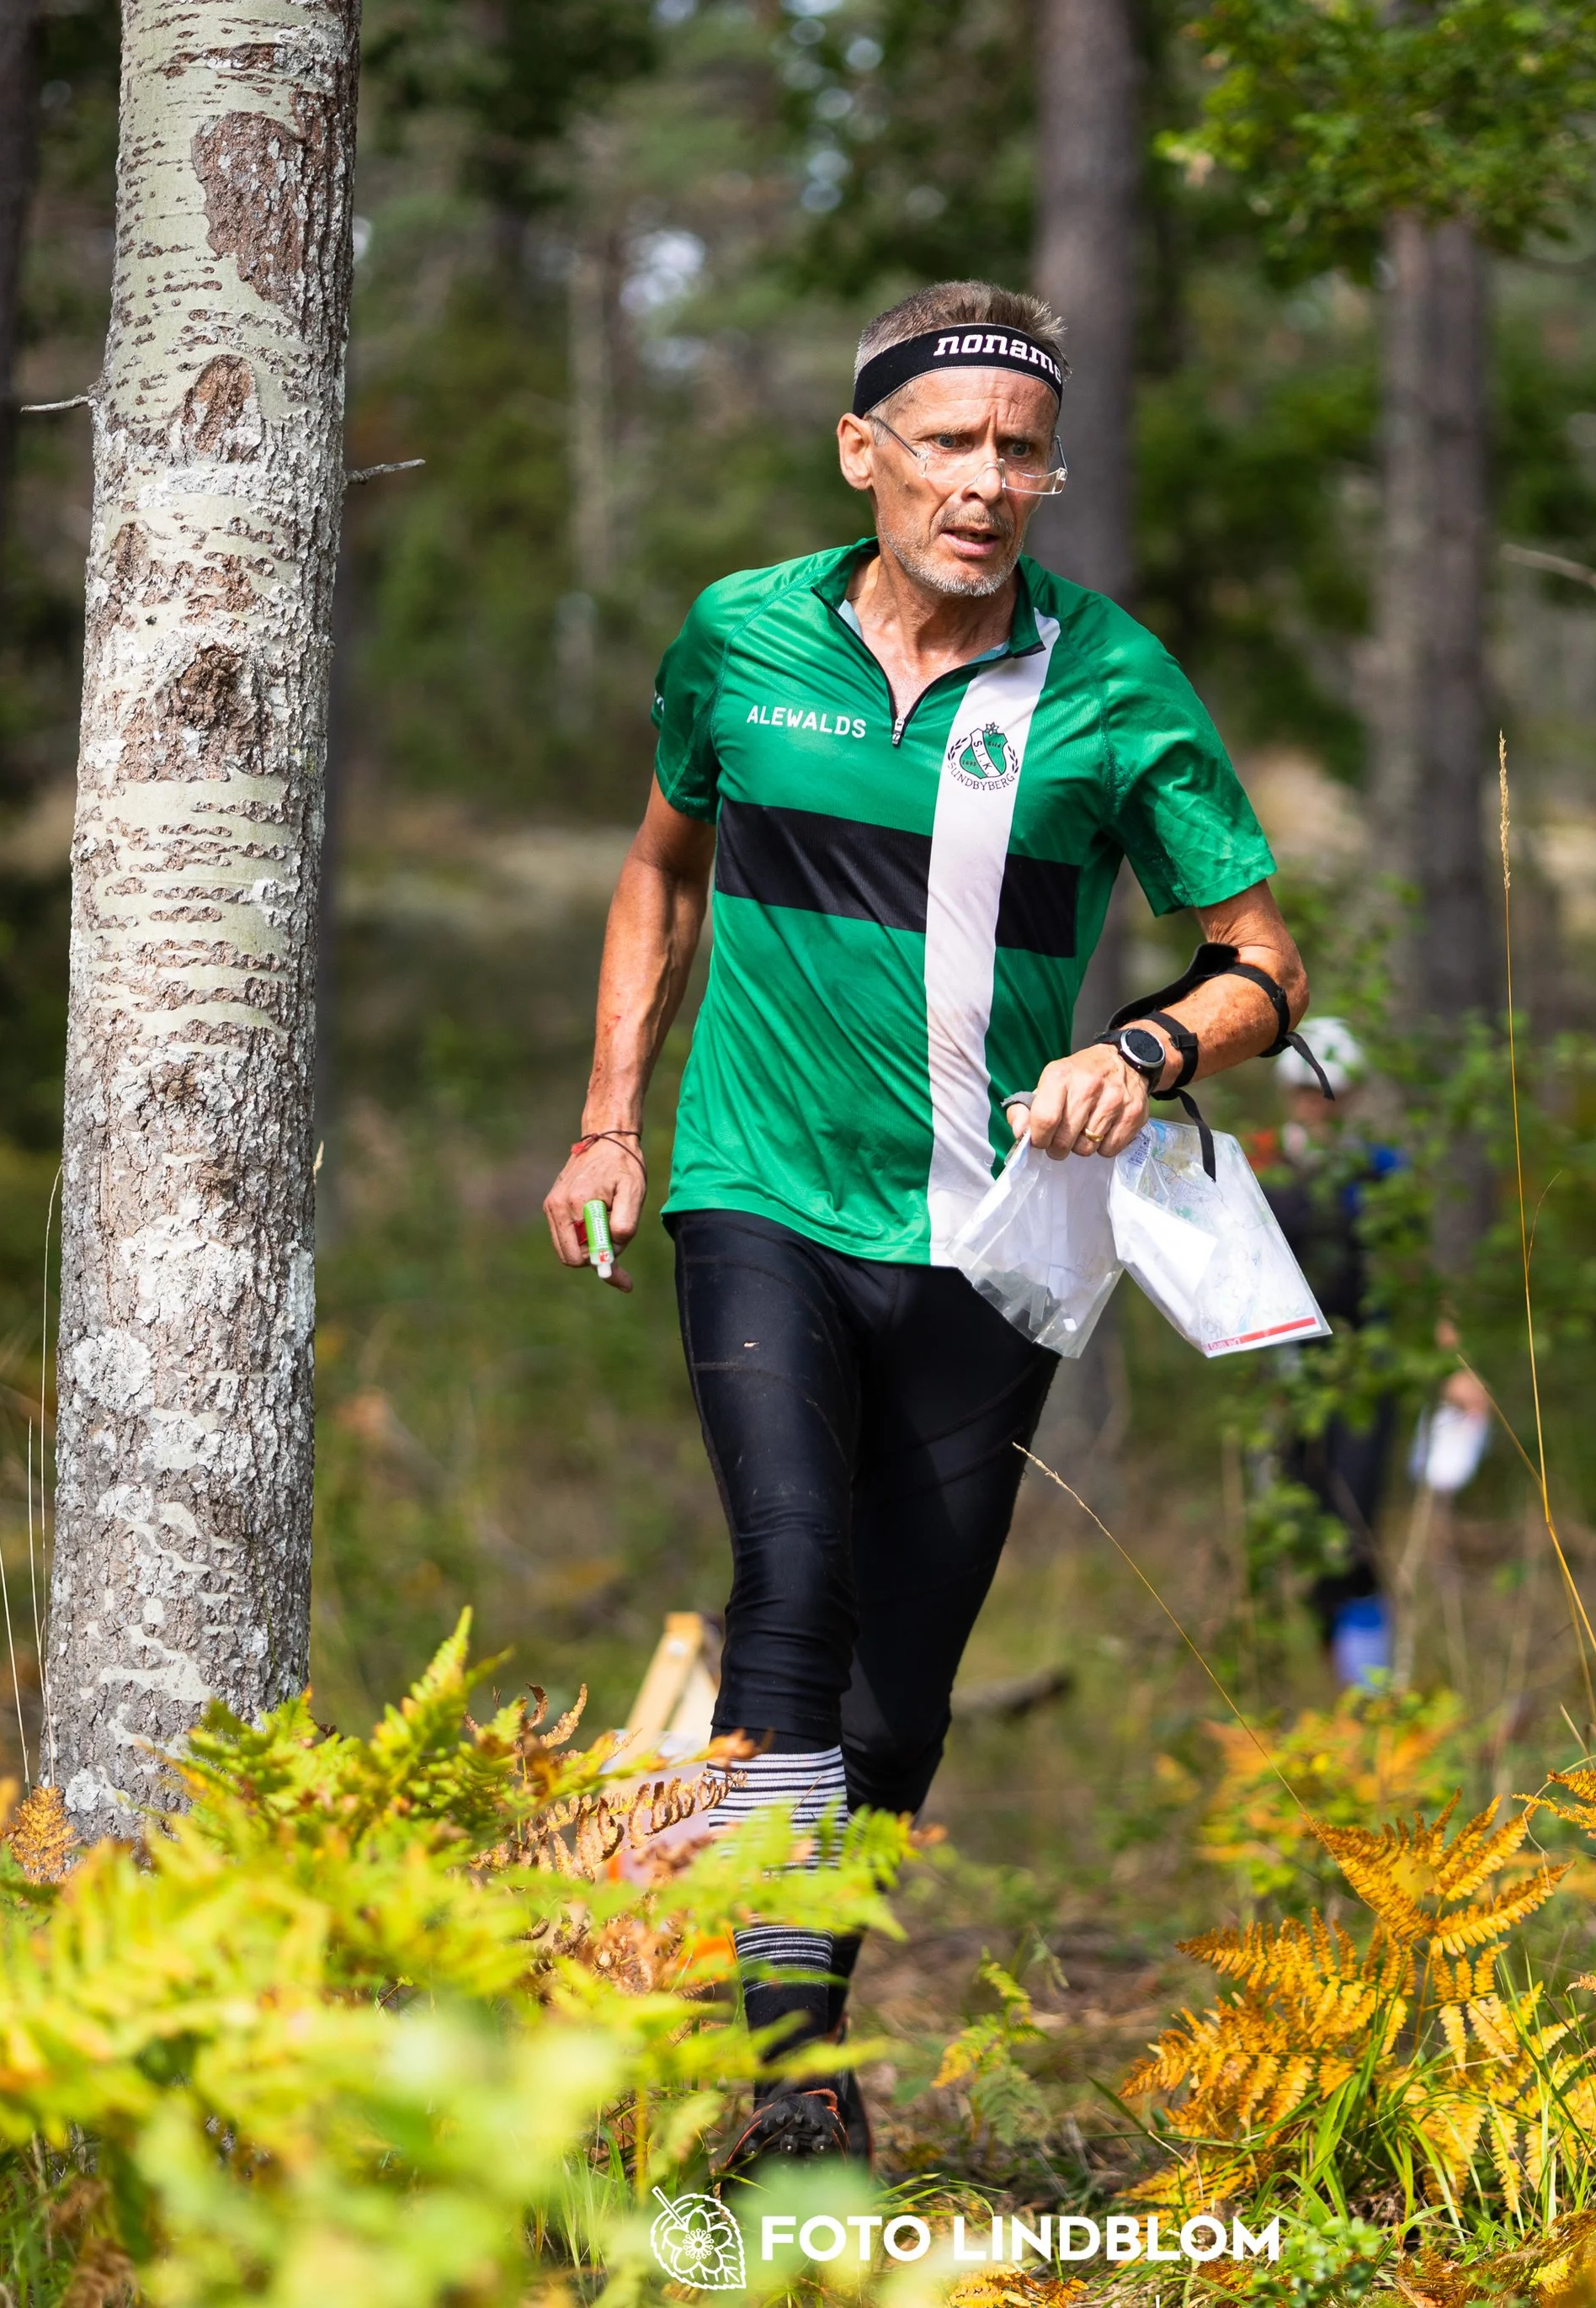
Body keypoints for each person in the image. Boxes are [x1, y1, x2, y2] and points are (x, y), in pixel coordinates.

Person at [541, 280, 1310, 2170]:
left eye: (1019, 450)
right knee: (785, 1578)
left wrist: (1148, 1039)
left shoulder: (1111, 680)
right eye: (947, 442)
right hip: (757, 1192)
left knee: (898, 1692)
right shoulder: (737, 635)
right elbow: (661, 873)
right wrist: (604, 1120)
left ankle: (773, 1984)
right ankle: (790, 2075)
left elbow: (1263, 961)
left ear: (1049, 472)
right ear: (860, 450)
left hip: (990, 1237)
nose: (982, 483)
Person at [1262, 1023, 1491, 1688]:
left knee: (1352, 1520)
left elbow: (1414, 1275)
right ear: (1289, 1091)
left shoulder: (1382, 1168)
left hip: (1369, 1371)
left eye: (1330, 1090)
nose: (1318, 1101)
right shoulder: (1263, 1163)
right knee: (1301, 1525)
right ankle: (1327, 1673)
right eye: (1307, 1088)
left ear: (1352, 1093)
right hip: (1289, 1377)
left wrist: (1454, 1365)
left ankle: (1371, 1692)